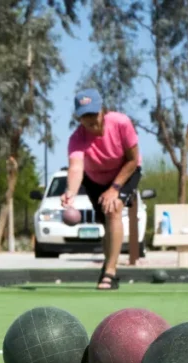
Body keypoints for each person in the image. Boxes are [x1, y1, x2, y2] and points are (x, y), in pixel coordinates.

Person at [61, 88, 142, 290]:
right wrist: (70, 191)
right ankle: (109, 263)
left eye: (93, 113)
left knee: (113, 208)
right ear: (78, 118)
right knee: (107, 222)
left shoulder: (121, 123)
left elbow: (132, 161)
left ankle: (110, 273)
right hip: (95, 180)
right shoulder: (77, 138)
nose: (90, 120)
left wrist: (115, 188)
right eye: (84, 116)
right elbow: (76, 167)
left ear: (102, 111)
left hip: (126, 172)